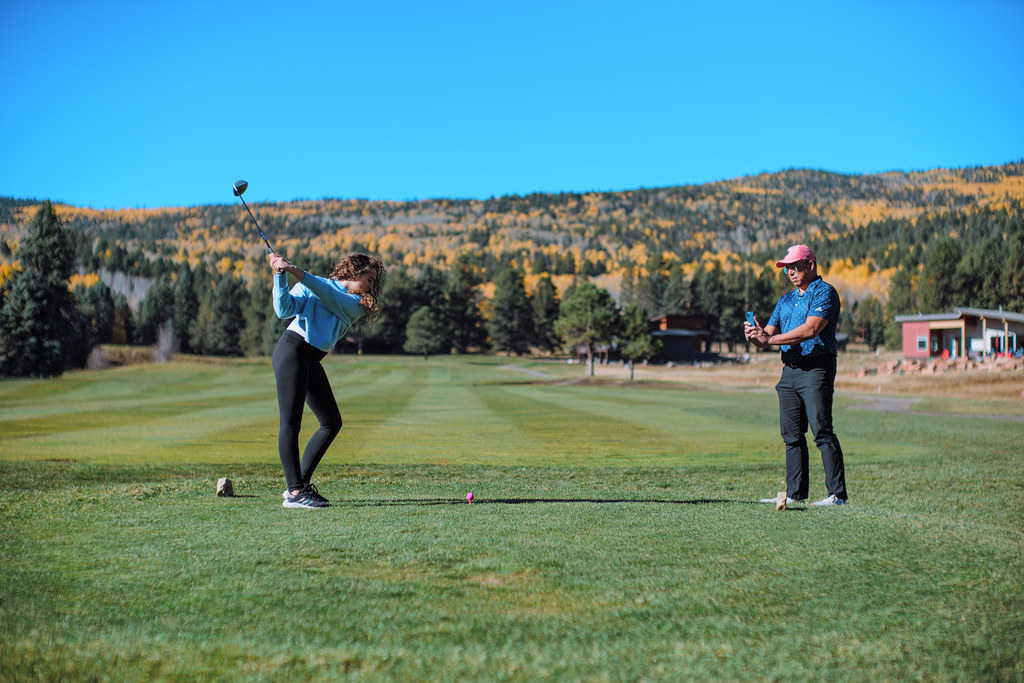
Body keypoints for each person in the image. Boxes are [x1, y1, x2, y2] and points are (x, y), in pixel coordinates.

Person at [268, 251, 386, 509]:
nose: (370, 285)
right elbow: (284, 310)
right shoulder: (312, 283)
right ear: (353, 272)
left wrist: (295, 269)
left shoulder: (353, 304)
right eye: (368, 278)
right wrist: (279, 275)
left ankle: (298, 486)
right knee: (291, 424)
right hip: (292, 350)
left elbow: (327, 294)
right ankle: (296, 492)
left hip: (310, 358)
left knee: (331, 422)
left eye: (373, 281)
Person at [744, 244, 848, 507]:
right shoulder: (786, 300)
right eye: (787, 268)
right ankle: (795, 493)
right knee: (791, 435)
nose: (790, 271)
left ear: (810, 265)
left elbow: (810, 330)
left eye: (794, 266)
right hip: (789, 371)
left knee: (822, 431)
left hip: (817, 369)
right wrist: (755, 337)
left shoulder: (825, 292)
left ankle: (837, 495)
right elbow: (766, 336)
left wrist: (770, 338)